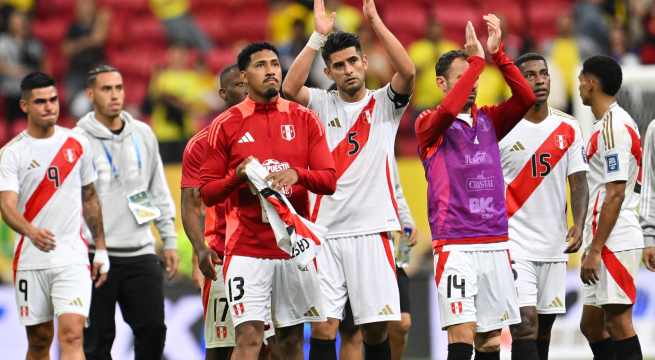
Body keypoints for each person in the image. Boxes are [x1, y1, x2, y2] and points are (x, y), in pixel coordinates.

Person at [282, 0, 415, 359]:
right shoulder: (322, 104)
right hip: (325, 232)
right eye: (338, 66)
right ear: (329, 72)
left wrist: (376, 22)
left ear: (364, 62)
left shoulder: (384, 104)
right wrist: (316, 37)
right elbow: (290, 89)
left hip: (373, 230)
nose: (348, 70)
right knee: (324, 324)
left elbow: (408, 71)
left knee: (374, 329)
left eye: (353, 61)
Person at [200, 42, 337, 360]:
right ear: (244, 77)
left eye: (275, 63)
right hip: (247, 250)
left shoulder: (305, 119)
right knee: (249, 336)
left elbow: (328, 180)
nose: (271, 70)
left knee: (290, 341)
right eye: (261, 65)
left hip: (292, 250)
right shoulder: (225, 126)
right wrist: (237, 177)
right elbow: (208, 192)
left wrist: (298, 175)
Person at [414, 16, 536, 360]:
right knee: (461, 337)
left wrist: (498, 56)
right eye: (462, 78)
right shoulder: (428, 125)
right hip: (455, 244)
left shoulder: (489, 120)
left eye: (475, 79)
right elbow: (449, 108)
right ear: (441, 83)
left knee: (490, 342)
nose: (472, 84)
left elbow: (526, 98)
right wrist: (477, 61)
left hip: (495, 241)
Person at [0, 72, 109, 359]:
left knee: (72, 334)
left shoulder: (77, 143)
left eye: (53, 100)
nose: (49, 106)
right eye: (40, 102)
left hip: (71, 257)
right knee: (39, 341)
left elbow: (90, 198)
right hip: (30, 260)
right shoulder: (12, 153)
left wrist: (100, 248)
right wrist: (31, 231)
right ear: (25, 106)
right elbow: (7, 206)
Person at [75, 65, 180, 359]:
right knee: (97, 340)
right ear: (90, 94)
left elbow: (157, 188)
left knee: (153, 330)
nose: (115, 95)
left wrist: (168, 240)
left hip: (140, 250)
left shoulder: (143, 134)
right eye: (106, 89)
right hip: (95, 255)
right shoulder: (77, 140)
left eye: (119, 88)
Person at [500, 53, 589, 360]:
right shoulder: (502, 128)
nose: (539, 80)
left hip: (553, 245)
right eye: (530, 75)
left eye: (543, 74)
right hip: (513, 243)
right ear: (516, 82)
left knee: (543, 332)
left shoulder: (568, 127)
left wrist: (579, 222)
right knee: (524, 325)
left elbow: (578, 181)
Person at [578, 55, 645, 360]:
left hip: (614, 239)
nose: (579, 86)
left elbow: (615, 193)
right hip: (603, 238)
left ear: (592, 83)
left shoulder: (613, 128)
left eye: (581, 79)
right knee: (592, 325)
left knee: (618, 323)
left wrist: (595, 249)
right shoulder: (604, 125)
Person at [181, 64, 247, 360]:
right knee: (222, 345)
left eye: (250, 82)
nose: (246, 89)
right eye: (238, 85)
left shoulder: (279, 133)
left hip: (271, 254)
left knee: (275, 346)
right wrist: (199, 250)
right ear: (223, 93)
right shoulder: (201, 144)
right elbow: (190, 205)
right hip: (221, 254)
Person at [337, 158, 418, 360]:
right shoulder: (339, 140)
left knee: (401, 322)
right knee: (352, 332)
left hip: (386, 246)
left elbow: (395, 189)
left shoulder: (383, 141)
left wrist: (407, 221)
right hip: (350, 241)